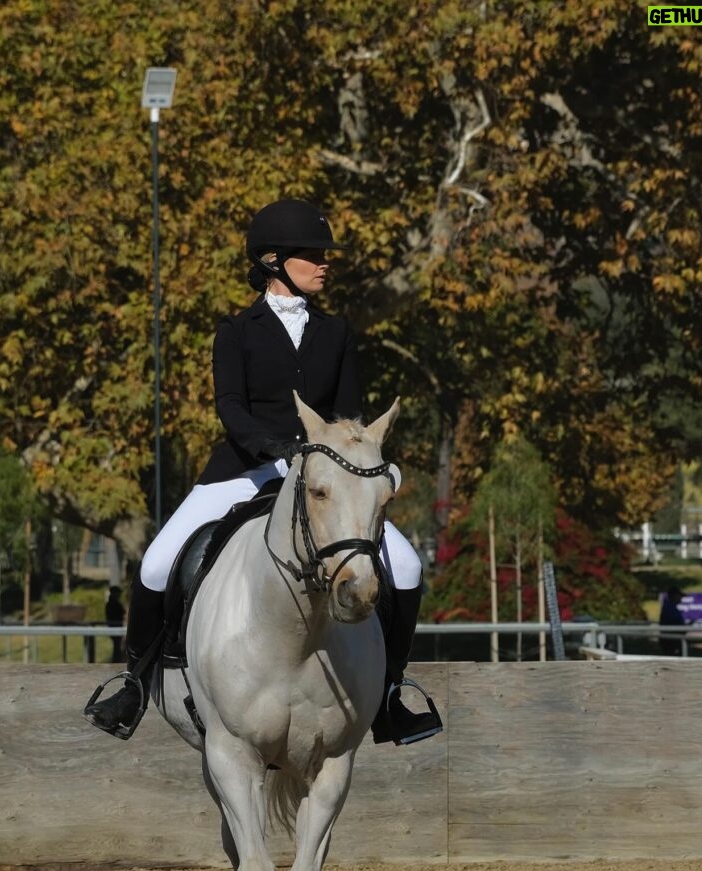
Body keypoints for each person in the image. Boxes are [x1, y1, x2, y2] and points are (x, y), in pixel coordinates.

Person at [85, 198, 441, 746]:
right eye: (312, 255)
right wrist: (272, 447)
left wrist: (359, 456)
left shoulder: (337, 332)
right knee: (157, 563)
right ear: (274, 260)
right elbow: (230, 406)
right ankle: (133, 684)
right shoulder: (236, 330)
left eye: (325, 255)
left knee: (410, 567)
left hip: (325, 476)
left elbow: (348, 416)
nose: (324, 262)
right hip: (244, 470)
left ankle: (391, 696)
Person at [659, 586, 685, 656]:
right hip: (671, 641)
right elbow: (673, 623)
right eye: (680, 596)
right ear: (674, 596)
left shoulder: (670, 607)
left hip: (673, 640)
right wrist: (684, 627)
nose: (681, 599)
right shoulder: (669, 608)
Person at [105, 585, 125, 663]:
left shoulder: (111, 603)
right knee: (117, 645)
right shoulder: (112, 604)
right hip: (115, 626)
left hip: (115, 626)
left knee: (117, 645)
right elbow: (121, 611)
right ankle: (116, 660)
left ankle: (116, 659)